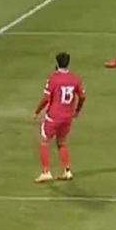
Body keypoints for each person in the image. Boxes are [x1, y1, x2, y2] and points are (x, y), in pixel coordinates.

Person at [33, 52, 85, 183]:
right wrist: (77, 110)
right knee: (61, 142)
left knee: (44, 141)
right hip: (67, 117)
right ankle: (67, 171)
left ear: (56, 63)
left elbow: (46, 98)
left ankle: (46, 172)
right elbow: (83, 96)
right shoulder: (75, 79)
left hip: (54, 116)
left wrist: (37, 111)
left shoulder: (53, 78)